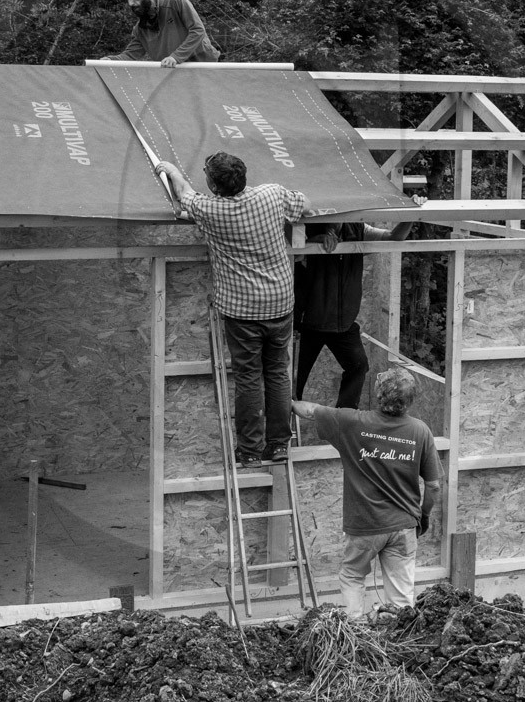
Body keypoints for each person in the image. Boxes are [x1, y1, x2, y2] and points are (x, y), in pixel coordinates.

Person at [155, 152, 312, 468]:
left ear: (214, 186)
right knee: (277, 373)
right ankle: (278, 445)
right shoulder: (271, 194)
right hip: (280, 302)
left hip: (243, 311)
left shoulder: (211, 209)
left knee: (249, 377)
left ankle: (250, 450)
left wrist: (170, 169)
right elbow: (305, 204)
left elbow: (184, 195)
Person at [291, 365, 441, 618]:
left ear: (379, 394)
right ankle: (399, 637)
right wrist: (423, 516)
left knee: (352, 575)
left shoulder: (352, 422)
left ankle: (354, 632)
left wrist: (287, 401)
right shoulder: (420, 431)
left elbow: (310, 411)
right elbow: (434, 486)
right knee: (401, 597)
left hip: (364, 524)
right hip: (404, 525)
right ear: (410, 400)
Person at [294, 193, 427, 410]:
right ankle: (283, 425)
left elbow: (394, 237)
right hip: (307, 324)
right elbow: (286, 252)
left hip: (343, 324)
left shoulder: (357, 229)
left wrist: (411, 213)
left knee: (358, 366)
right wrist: (311, 242)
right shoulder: (305, 229)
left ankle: (344, 418)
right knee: (291, 382)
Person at [104, 0, 220, 67]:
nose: (130, 3)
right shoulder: (140, 29)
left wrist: (175, 57)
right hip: (177, 74)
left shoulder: (175, 1)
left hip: (205, 67)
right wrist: (109, 60)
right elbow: (130, 55)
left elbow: (197, 30)